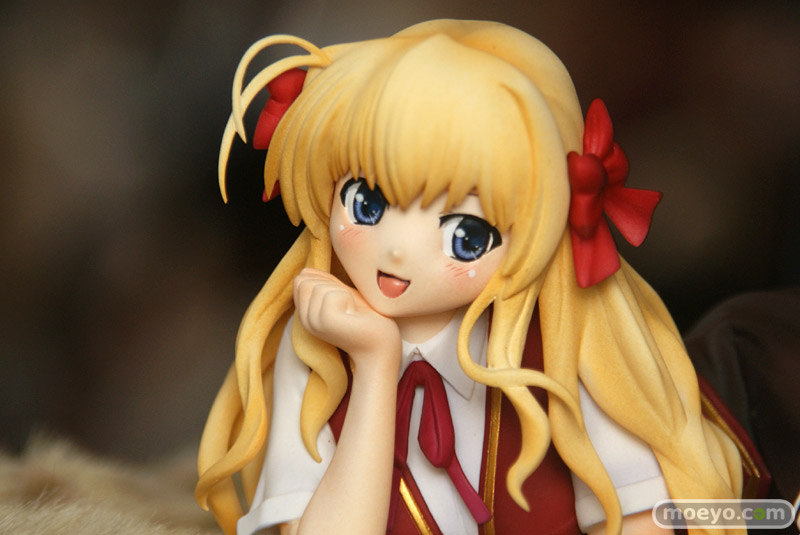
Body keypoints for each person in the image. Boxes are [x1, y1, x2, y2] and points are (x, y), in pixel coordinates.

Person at [195, 20, 744, 535]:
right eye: (366, 204)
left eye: (465, 235)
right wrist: (376, 364)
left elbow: (642, 516)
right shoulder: (317, 346)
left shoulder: (557, 342)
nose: (397, 250)